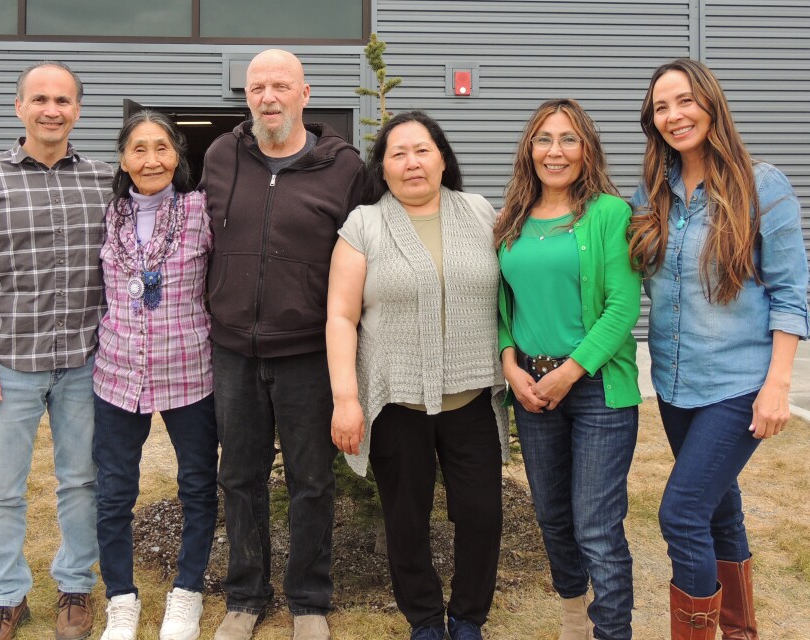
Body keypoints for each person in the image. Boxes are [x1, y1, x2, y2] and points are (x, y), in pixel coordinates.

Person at [629, 58, 809, 640]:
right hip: (676, 384)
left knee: (680, 515)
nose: (674, 115)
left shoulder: (762, 185)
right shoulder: (651, 191)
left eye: (684, 101)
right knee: (718, 508)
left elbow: (791, 292)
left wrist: (778, 384)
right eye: (661, 107)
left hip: (739, 384)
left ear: (711, 105)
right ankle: (739, 632)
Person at [0, 61, 112, 640]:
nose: (51, 109)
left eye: (63, 100)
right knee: (2, 488)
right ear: (19, 107)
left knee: (82, 480)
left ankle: (74, 587)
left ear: (77, 111)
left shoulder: (102, 180)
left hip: (85, 364)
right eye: (39, 98)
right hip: (8, 364)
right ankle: (5, 597)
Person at [199, 49, 366, 640]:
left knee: (310, 480)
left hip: (308, 353)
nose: (268, 97)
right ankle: (244, 597)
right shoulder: (222, 155)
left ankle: (308, 601)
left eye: (280, 86)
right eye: (256, 87)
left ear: (304, 93)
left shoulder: (344, 167)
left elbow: (364, 254)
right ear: (246, 97)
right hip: (234, 351)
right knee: (239, 476)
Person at [327, 110, 510, 640]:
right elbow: (341, 315)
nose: (412, 163)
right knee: (406, 522)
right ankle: (426, 619)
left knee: (481, 514)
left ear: (443, 158)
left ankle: (469, 616)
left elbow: (514, 288)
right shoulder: (363, 224)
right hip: (397, 402)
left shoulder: (480, 213)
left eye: (422, 150)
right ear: (381, 168)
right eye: (398, 153)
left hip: (472, 399)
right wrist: (346, 398)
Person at [495, 99, 641, 640]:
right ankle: (574, 618)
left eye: (568, 139)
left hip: (597, 388)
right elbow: (502, 304)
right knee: (553, 518)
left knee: (597, 525)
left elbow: (623, 308)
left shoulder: (608, 213)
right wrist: (510, 363)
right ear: (528, 149)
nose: (555, 151)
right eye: (543, 139)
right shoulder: (510, 218)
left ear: (587, 150)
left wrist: (571, 371)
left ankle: (611, 632)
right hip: (531, 388)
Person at [92, 110, 219, 640]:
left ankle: (187, 592)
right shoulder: (107, 214)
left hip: (190, 371)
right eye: (138, 149)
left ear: (178, 156)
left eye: (161, 148)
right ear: (123, 159)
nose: (151, 159)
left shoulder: (201, 210)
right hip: (118, 373)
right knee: (115, 491)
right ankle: (121, 597)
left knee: (197, 485)